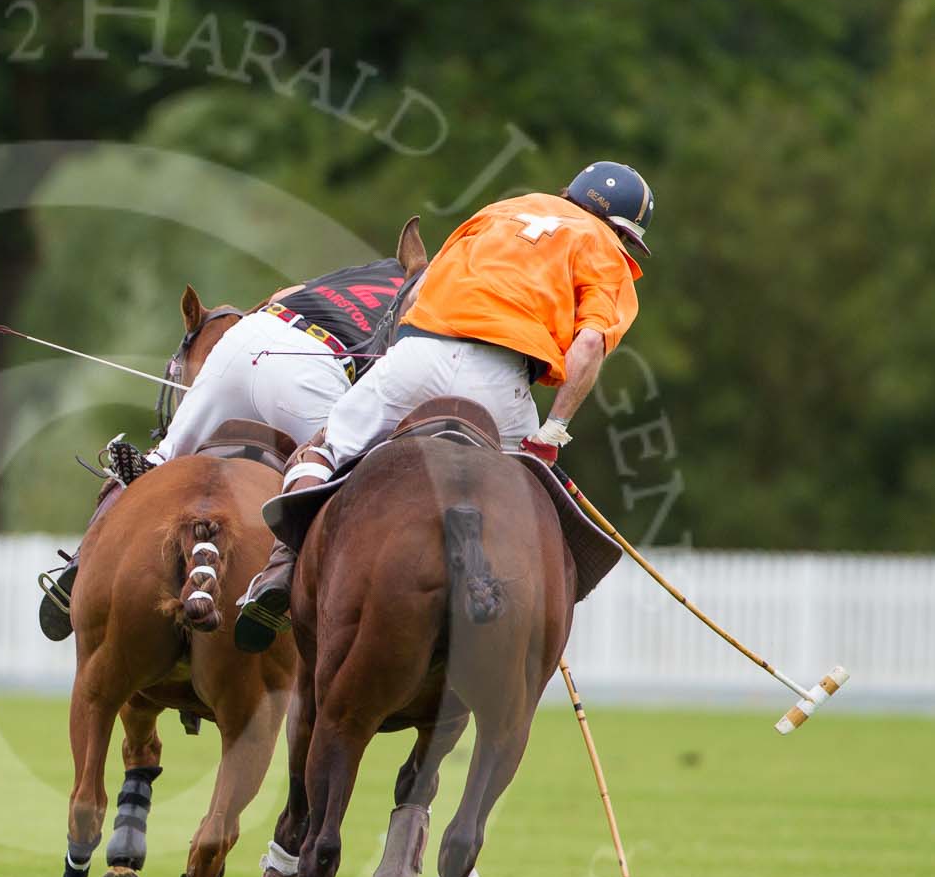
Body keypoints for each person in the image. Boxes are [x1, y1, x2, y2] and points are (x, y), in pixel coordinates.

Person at [232, 161, 653, 652]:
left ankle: (281, 567)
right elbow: (588, 346)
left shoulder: (498, 212)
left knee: (323, 449)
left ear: (569, 193)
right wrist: (553, 430)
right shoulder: (606, 251)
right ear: (623, 231)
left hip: (417, 354)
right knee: (538, 502)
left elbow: (419, 290)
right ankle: (530, 629)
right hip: (500, 381)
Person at [36, 255, 412, 641]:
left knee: (162, 458)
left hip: (248, 338)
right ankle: (280, 577)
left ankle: (84, 558)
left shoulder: (359, 273)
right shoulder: (420, 288)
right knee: (341, 485)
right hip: (313, 365)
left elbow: (283, 295)